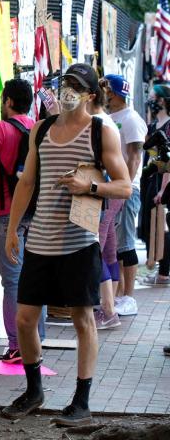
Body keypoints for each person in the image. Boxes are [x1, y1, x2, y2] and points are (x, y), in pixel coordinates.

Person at [0, 64, 131, 426]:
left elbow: (125, 186)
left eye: (76, 86)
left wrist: (90, 188)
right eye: (64, 84)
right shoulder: (40, 130)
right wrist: (13, 228)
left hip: (80, 242)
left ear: (90, 94)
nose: (67, 91)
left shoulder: (101, 132)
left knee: (83, 319)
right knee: (25, 319)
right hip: (40, 239)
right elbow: (26, 182)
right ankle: (33, 390)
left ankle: (82, 401)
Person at [0, 79, 44, 361]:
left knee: (12, 282)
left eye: (2, 100)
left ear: (9, 102)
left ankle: (17, 345)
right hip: (36, 215)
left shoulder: (1, 129)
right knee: (35, 280)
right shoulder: (37, 128)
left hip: (7, 215)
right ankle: (38, 340)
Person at [104, 74, 147, 317]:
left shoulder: (131, 119)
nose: (106, 95)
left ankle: (129, 296)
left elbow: (135, 156)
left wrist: (126, 187)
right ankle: (119, 293)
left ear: (116, 93)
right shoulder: (111, 117)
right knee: (115, 244)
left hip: (127, 190)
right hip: (113, 189)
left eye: (108, 90)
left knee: (126, 243)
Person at [88, 81, 122, 329]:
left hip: (104, 192)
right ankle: (110, 307)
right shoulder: (103, 121)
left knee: (95, 248)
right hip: (109, 192)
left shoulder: (98, 124)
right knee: (107, 247)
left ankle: (108, 310)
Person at [141, 82, 170, 285]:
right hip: (150, 179)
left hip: (164, 182)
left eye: (154, 97)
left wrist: (163, 188)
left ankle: (164, 271)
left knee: (164, 226)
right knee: (150, 225)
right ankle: (159, 265)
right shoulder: (152, 126)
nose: (151, 101)